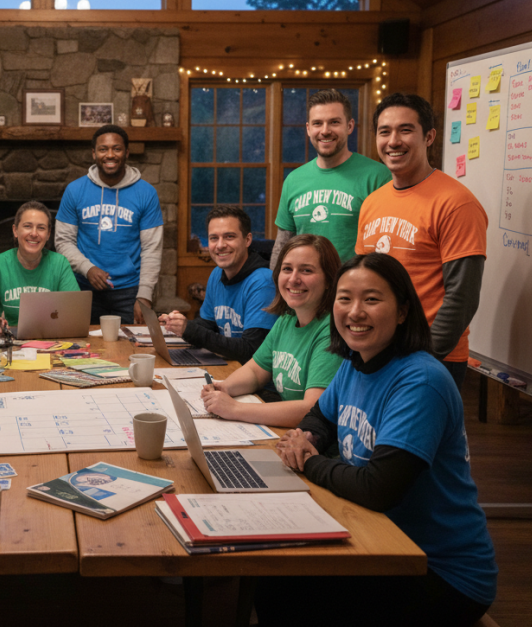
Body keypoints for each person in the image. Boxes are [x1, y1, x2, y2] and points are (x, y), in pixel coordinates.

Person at [260, 253, 496, 627]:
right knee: (271, 575)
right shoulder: (356, 361)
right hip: (379, 536)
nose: (355, 312)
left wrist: (308, 460)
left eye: (371, 299)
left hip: (440, 571)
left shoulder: (420, 382)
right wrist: (308, 438)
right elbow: (320, 416)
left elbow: (378, 488)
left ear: (403, 311)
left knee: (283, 586)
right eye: (344, 298)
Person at [356, 93, 487, 389]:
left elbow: (462, 297)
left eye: (405, 130)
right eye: (384, 131)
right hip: (377, 351)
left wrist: (422, 360)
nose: (393, 141)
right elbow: (362, 283)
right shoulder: (372, 203)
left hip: (430, 359)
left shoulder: (456, 203)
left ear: (429, 137)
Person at [200, 234, 342, 427]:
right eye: (287, 269)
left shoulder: (331, 330)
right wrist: (224, 388)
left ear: (329, 280)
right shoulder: (287, 318)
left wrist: (234, 409)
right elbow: (255, 371)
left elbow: (312, 410)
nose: (293, 279)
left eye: (306, 270)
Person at [55, 125, 163, 325]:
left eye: (117, 149)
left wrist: (144, 295)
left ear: (127, 153)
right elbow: (63, 241)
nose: (110, 155)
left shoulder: (146, 193)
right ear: (94, 153)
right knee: (81, 342)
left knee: (131, 343)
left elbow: (152, 249)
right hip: (83, 287)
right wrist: (87, 268)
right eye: (103, 149)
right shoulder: (74, 190)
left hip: (130, 291)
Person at [272, 89, 390, 265]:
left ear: (349, 126)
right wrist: (276, 281)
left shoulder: (378, 176)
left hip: (355, 281)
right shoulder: (293, 180)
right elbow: (282, 245)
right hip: (304, 281)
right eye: (317, 123)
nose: (325, 131)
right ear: (308, 129)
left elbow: (387, 243)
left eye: (334, 122)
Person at [159, 205, 276, 363]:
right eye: (214, 238)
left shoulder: (263, 282)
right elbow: (208, 324)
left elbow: (251, 350)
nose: (220, 245)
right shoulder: (217, 274)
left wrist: (191, 330)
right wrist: (179, 325)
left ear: (247, 240)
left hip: (250, 372)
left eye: (229, 237)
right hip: (226, 365)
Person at [0, 201, 79, 335]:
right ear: (15, 231)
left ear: (48, 234)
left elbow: (75, 313)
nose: (34, 233)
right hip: (7, 341)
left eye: (41, 228)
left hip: (49, 340)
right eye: (27, 226)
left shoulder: (60, 264)